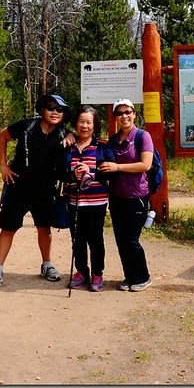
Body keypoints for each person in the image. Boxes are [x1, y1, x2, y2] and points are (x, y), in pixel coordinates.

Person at [0, 94, 71, 289]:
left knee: (44, 227)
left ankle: (47, 265)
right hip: (18, 186)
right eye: (51, 108)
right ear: (42, 110)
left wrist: (72, 135)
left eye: (60, 110)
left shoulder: (64, 134)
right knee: (8, 228)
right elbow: (2, 136)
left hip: (45, 189)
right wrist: (2, 165)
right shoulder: (26, 126)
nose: (55, 112)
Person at [97, 98, 153, 292]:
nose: (124, 116)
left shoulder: (142, 136)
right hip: (117, 196)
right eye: (119, 113)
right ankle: (130, 276)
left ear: (134, 114)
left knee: (131, 239)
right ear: (115, 118)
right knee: (121, 239)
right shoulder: (114, 140)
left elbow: (145, 165)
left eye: (127, 112)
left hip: (136, 195)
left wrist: (117, 166)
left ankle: (143, 276)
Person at [61, 105, 111, 292]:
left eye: (89, 122)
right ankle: (81, 271)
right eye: (81, 121)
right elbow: (60, 172)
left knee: (95, 239)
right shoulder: (68, 147)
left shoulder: (103, 147)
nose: (84, 126)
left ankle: (97, 274)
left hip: (97, 202)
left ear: (95, 125)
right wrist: (73, 175)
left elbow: (110, 173)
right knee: (77, 239)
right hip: (74, 201)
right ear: (75, 123)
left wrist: (92, 172)